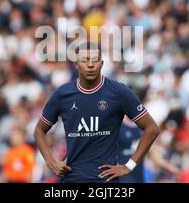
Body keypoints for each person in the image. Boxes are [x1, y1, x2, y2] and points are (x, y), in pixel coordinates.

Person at [34, 42, 160, 183]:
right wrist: (51, 162)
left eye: (95, 60)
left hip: (106, 179)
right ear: (76, 64)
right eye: (85, 60)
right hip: (72, 178)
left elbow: (152, 128)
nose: (90, 64)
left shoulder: (118, 92)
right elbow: (39, 130)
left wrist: (129, 166)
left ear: (102, 63)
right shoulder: (62, 94)